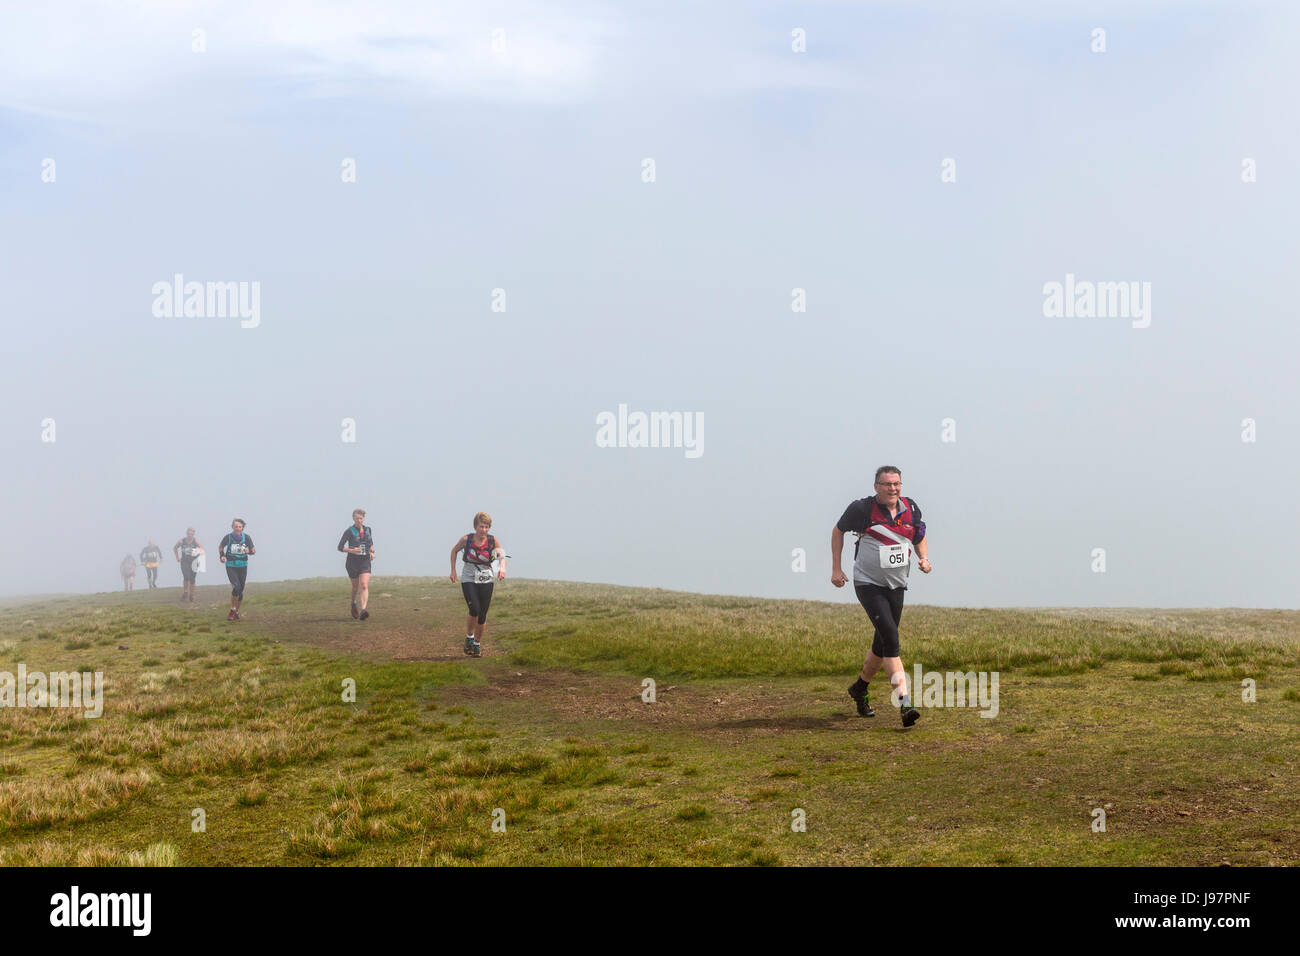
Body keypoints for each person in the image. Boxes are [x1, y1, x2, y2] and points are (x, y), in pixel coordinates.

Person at [831, 466, 932, 727]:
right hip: (868, 583)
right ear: (876, 486)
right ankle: (905, 703)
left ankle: (860, 688)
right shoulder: (862, 509)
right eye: (887, 484)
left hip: (897, 584)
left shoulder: (910, 508)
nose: (892, 489)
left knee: (882, 642)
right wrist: (836, 568)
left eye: (896, 483)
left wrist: (924, 558)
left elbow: (919, 534)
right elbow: (838, 530)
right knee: (891, 637)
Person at [450, 512, 506, 657]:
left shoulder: (493, 541)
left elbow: (502, 556)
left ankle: (476, 644)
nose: (484, 530)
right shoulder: (466, 539)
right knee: (474, 609)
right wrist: (453, 571)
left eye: (487, 527)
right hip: (469, 578)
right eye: (481, 526)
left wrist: (502, 569)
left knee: (482, 615)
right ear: (476, 526)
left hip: (486, 579)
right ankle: (469, 637)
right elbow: (454, 551)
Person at [337, 508, 376, 620]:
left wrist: (372, 552)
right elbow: (340, 547)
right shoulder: (349, 531)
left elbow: (370, 544)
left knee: (364, 585)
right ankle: (353, 603)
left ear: (363, 519)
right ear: (353, 518)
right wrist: (352, 550)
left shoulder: (368, 530)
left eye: (361, 518)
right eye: (356, 518)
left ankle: (363, 610)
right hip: (352, 562)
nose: (359, 520)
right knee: (355, 587)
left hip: (365, 561)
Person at [218, 518, 256, 621]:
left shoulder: (246, 538)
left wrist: (249, 551)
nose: (238, 528)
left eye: (240, 527)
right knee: (236, 587)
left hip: (243, 566)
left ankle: (236, 612)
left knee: (241, 590)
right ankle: (232, 610)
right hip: (231, 565)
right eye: (236, 527)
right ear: (232, 527)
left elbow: (253, 551)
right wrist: (222, 556)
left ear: (242, 527)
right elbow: (221, 547)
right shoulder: (228, 537)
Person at [173, 528, 204, 603]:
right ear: (186, 534)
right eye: (188, 534)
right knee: (186, 577)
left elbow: (202, 550)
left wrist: (197, 553)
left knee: (192, 579)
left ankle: (192, 594)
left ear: (193, 534)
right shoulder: (181, 541)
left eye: (191, 534)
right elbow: (175, 548)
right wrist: (177, 557)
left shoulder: (195, 541)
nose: (190, 535)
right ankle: (185, 592)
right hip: (184, 561)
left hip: (194, 561)